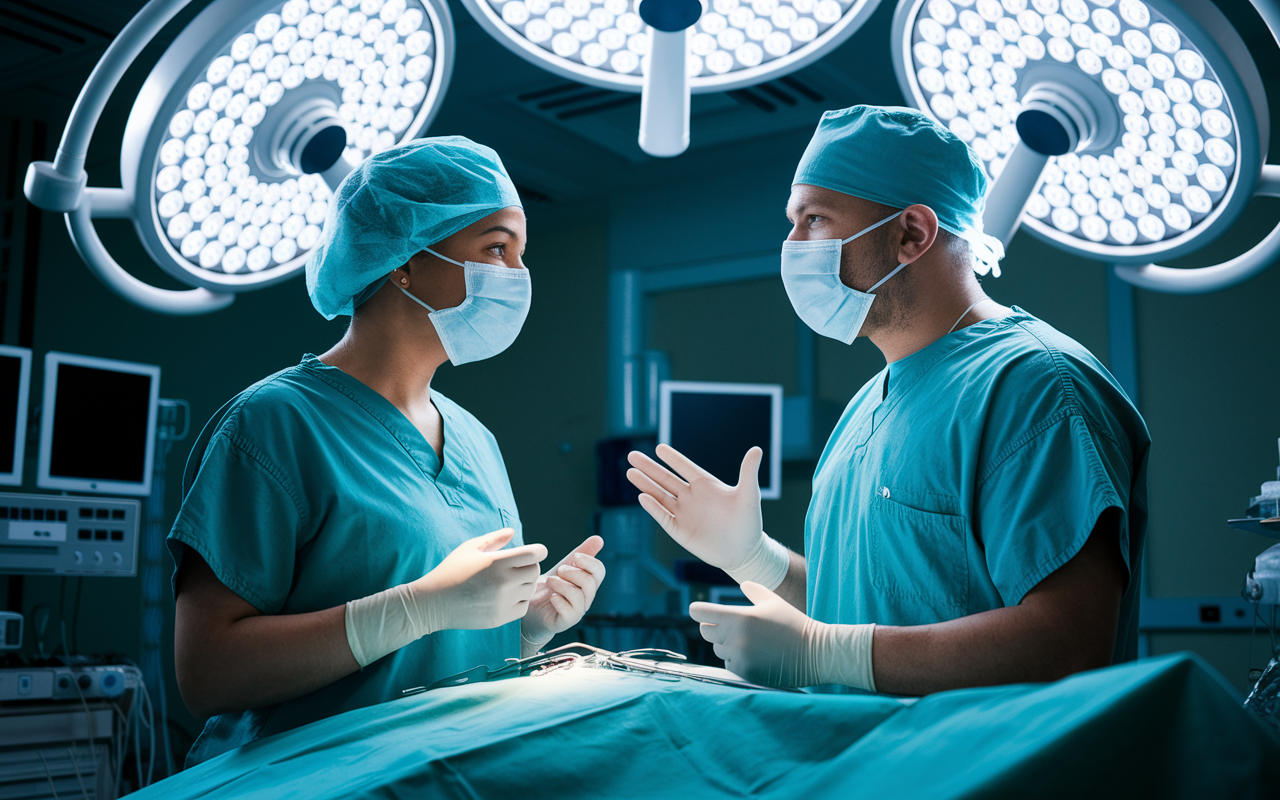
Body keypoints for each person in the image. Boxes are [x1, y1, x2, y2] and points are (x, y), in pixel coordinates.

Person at [626, 106, 1150, 695]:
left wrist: (822, 655)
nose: (792, 244)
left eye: (815, 219)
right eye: (792, 222)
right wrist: (753, 558)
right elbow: (855, 608)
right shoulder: (866, 407)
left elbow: (1070, 644)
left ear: (912, 235)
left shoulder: (1037, 387)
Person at [170, 137, 605, 765]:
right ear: (404, 260)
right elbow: (206, 673)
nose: (517, 277)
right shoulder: (275, 424)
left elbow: (438, 650)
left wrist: (523, 627)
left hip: (439, 774)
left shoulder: (475, 441)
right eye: (494, 248)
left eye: (520, 254)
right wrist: (415, 607)